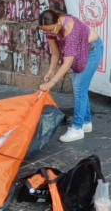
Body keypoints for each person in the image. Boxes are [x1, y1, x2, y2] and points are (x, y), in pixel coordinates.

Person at [38, 9, 103, 142]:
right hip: (78, 53)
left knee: (79, 89)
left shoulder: (71, 29)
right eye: (45, 31)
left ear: (58, 22)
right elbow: (56, 53)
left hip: (91, 51)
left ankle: (77, 129)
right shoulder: (51, 29)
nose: (49, 34)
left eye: (51, 30)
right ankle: (86, 122)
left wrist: (51, 83)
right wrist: (50, 71)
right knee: (80, 89)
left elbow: (67, 63)